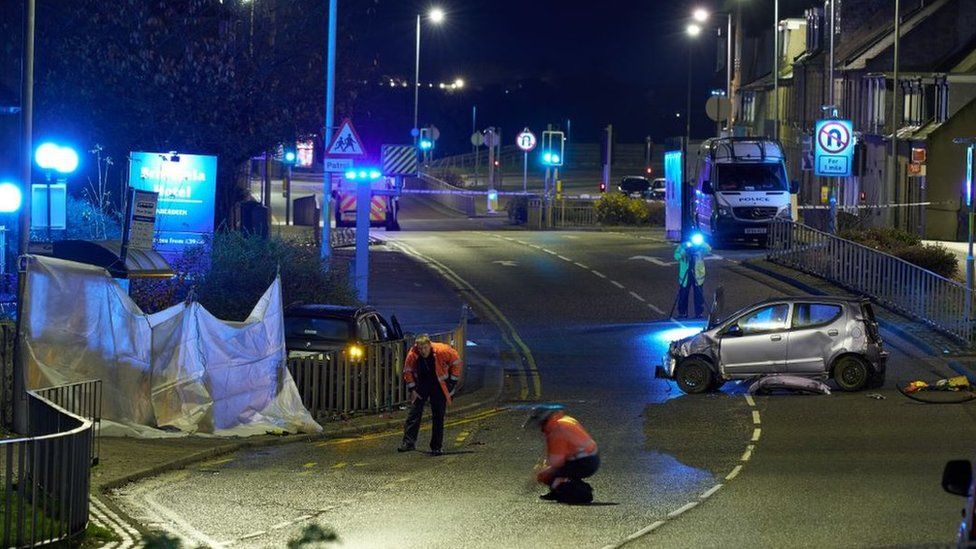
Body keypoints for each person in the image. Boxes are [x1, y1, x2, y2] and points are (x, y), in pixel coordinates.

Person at [397, 334, 462, 456]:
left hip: (439, 385)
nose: (422, 351)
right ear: (417, 347)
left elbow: (456, 361)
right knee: (414, 413)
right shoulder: (413, 354)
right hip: (422, 385)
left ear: (429, 345)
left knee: (438, 415)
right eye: (420, 349)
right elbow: (407, 371)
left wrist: (452, 383)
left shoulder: (442, 350)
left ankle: (436, 446)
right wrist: (413, 390)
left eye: (425, 348)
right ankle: (408, 442)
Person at [524, 405, 599, 504]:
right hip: (589, 457)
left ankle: (575, 491)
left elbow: (556, 463)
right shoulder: (563, 421)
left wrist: (539, 474)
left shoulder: (557, 430)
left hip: (583, 462)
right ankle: (560, 488)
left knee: (546, 475)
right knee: (548, 472)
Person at [674, 233, 712, 319]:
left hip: (698, 275)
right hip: (685, 275)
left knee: (698, 295)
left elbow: (708, 249)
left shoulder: (701, 247)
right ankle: (682, 313)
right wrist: (685, 251)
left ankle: (699, 313)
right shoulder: (683, 246)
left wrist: (700, 243)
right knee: (683, 294)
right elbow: (676, 256)